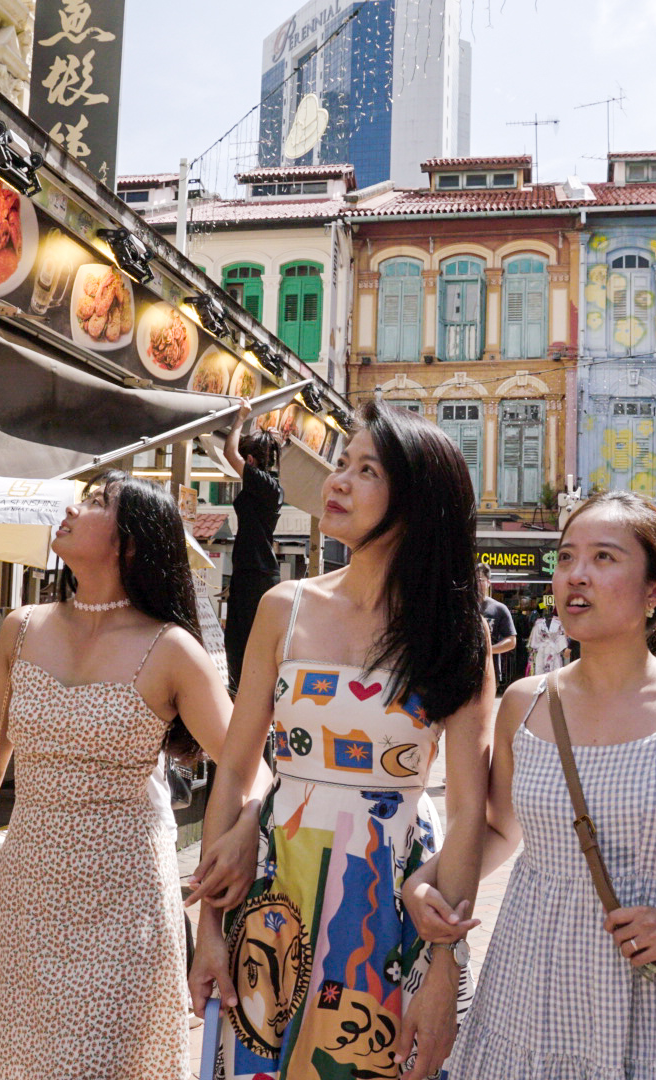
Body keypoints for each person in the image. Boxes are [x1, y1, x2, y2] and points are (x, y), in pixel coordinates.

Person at [404, 491, 656, 1078]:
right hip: (529, 979)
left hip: (655, 994)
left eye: (604, 558)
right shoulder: (526, 702)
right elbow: (498, 827)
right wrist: (427, 879)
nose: (576, 575)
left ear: (655, 591)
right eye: (567, 557)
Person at [0, 473, 265, 1080]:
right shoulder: (19, 629)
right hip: (28, 895)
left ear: (131, 542)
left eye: (98, 501)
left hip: (127, 901)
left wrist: (245, 830)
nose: (73, 507)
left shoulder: (171, 649)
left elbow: (250, 766)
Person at [188, 402, 495, 1080]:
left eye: (365, 469)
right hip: (275, 891)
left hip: (391, 900)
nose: (338, 481)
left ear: (416, 501)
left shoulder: (455, 635)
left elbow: (472, 812)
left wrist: (444, 968)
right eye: (340, 463)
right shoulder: (284, 608)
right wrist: (209, 934)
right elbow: (236, 767)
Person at [224, 397, 285, 694]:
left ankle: (244, 706)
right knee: (243, 643)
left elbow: (229, 452)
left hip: (255, 574)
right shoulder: (270, 486)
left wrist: (240, 418)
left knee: (240, 643)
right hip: (254, 572)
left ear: (251, 461)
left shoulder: (264, 484)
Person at [475, 561, 517, 687]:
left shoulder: (499, 609)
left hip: (489, 672)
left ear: (488, 582)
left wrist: (489, 651)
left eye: (480, 579)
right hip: (464, 671)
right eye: (473, 579)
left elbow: (511, 641)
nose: (476, 583)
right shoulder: (463, 607)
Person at [528, 599, 569, 676]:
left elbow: (561, 638)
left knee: (554, 673)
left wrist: (563, 649)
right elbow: (534, 640)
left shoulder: (559, 622)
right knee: (540, 672)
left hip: (554, 651)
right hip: (541, 652)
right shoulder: (538, 622)